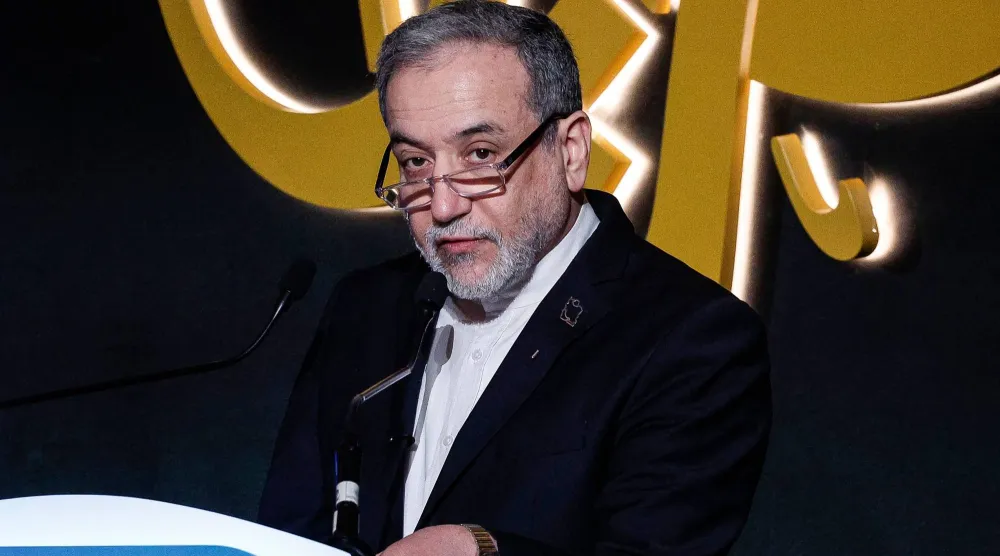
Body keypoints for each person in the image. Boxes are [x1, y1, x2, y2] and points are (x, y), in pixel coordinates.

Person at [257, 1, 771, 554]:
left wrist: (483, 549)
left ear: (571, 151)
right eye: (415, 164)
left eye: (481, 154)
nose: (445, 204)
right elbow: (284, 533)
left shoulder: (694, 340)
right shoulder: (366, 307)